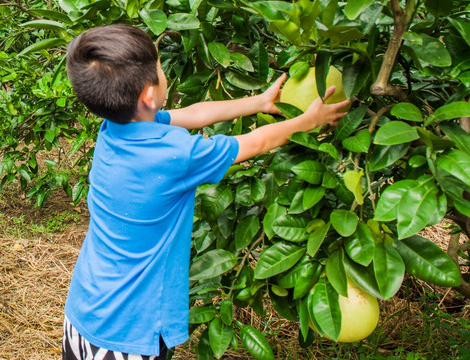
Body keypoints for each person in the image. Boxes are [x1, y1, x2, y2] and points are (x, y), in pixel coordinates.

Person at [62, 24, 349, 360]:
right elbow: (258, 142)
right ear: (149, 95)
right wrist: (308, 122)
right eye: (160, 68)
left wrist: (258, 102)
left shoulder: (113, 128)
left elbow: (195, 114)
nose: (163, 72)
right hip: (130, 333)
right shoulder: (174, 155)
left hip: (85, 312)